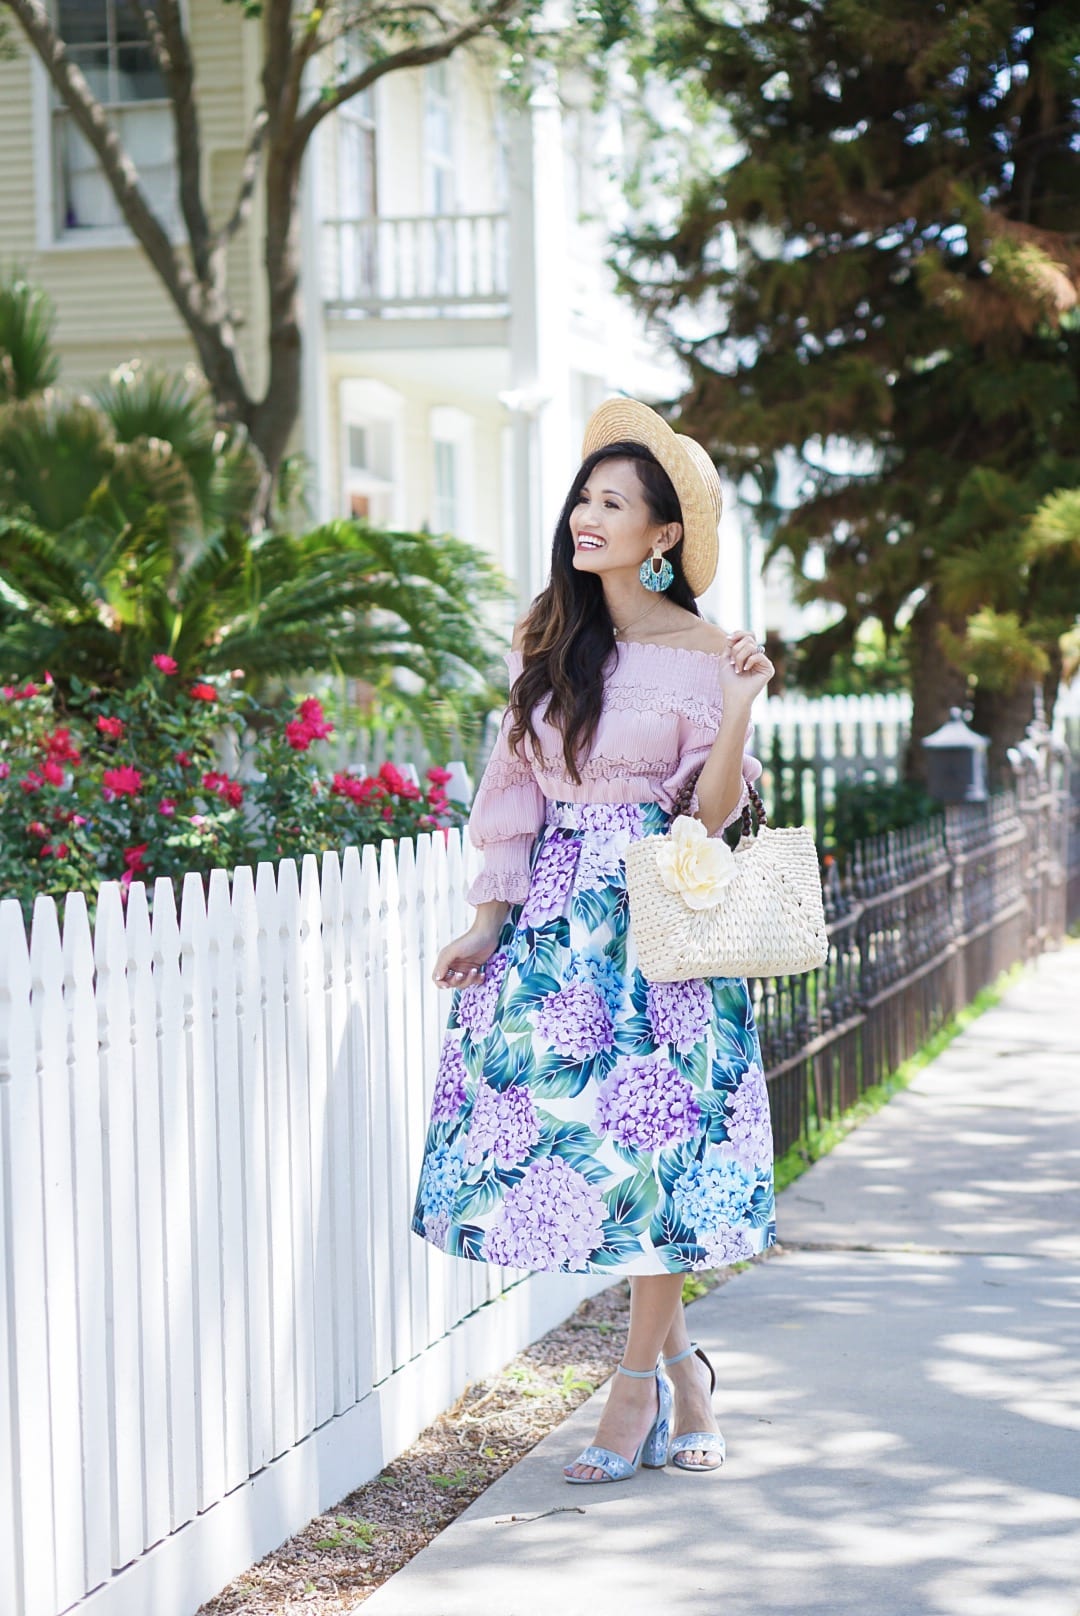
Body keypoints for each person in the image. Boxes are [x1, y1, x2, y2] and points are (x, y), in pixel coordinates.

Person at [411, 397, 776, 1484]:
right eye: (585, 495)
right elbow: (510, 784)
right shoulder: (551, 639)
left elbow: (708, 816)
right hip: (558, 926)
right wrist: (488, 917)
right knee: (583, 1149)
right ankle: (686, 1372)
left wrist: (743, 704)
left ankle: (632, 1389)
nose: (587, 514)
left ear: (664, 535)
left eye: (613, 501)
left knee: (659, 1157)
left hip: (662, 917)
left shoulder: (709, 650)